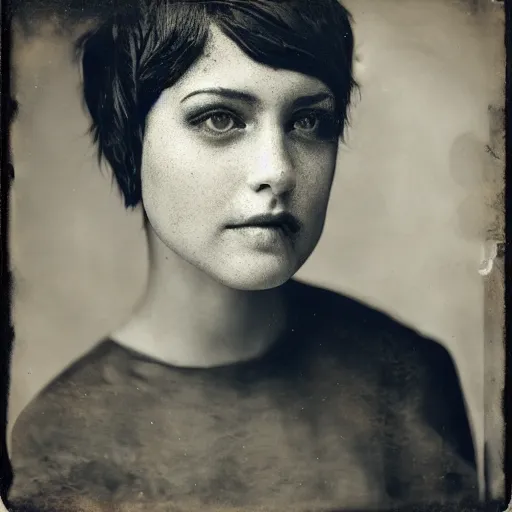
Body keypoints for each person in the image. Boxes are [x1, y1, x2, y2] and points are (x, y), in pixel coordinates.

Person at [7, 1, 479, 511]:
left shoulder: (405, 375)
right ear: (131, 138)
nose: (278, 171)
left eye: (308, 121)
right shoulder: (61, 441)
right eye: (220, 118)